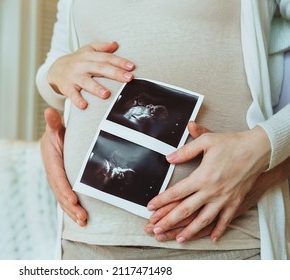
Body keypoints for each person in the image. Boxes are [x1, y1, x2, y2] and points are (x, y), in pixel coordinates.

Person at [37, 0, 290, 259]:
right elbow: (58, 65)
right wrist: (56, 72)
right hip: (87, 237)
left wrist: (266, 143)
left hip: (221, 240)